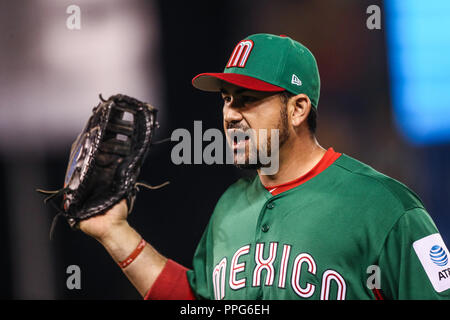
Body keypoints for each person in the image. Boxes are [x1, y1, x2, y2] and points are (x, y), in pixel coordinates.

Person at [80, 33, 450, 300]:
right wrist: (114, 232)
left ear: (298, 109)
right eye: (227, 99)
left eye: (248, 100)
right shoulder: (230, 207)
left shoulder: (385, 207)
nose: (229, 114)